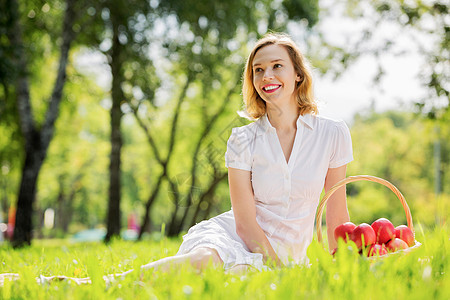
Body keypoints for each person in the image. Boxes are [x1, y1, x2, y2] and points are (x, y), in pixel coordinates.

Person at [0, 32, 353, 286]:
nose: (267, 77)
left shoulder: (332, 133)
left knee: (230, 284)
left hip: (285, 257)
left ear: (298, 75)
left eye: (277, 66)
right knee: (205, 263)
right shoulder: (243, 139)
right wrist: (279, 267)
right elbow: (245, 223)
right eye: (257, 70)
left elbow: (337, 216)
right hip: (237, 238)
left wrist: (345, 270)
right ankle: (88, 284)